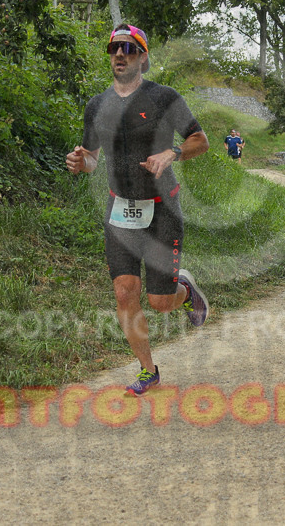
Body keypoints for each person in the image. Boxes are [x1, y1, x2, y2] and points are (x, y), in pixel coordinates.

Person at [66, 23, 210, 396]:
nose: (120, 54)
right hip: (120, 211)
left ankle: (185, 289)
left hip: (162, 208)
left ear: (143, 58)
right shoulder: (97, 105)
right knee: (124, 293)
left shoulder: (164, 98)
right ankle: (149, 370)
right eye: (115, 48)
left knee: (160, 302)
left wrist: (172, 152)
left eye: (129, 49)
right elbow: (94, 159)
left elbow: (200, 140)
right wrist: (82, 164)